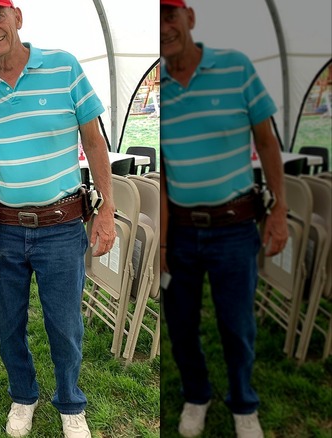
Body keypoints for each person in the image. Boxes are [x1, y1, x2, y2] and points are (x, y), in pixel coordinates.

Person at [0, 1, 117, 437]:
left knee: (65, 324)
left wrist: (106, 208)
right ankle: (23, 396)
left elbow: (95, 140)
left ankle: (70, 403)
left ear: (18, 18)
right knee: (9, 324)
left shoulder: (63, 67)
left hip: (62, 225)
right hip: (4, 231)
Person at [158, 1, 288, 437]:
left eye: (170, 14)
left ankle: (243, 402)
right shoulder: (158, 87)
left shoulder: (236, 67)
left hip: (235, 227)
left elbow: (267, 142)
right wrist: (161, 243)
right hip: (180, 231)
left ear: (189, 18)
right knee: (181, 325)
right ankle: (197, 395)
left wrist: (280, 211)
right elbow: (160, 174)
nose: (164, 27)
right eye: (155, 17)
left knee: (237, 324)